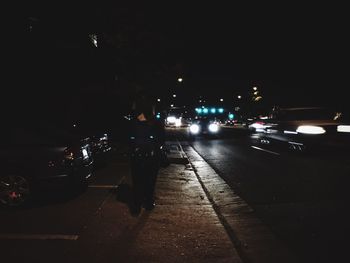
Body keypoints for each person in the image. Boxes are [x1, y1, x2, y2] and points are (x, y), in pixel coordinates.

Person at [128, 90, 165, 215]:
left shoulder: (134, 121)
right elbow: (162, 138)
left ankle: (137, 205)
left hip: (136, 154)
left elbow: (127, 137)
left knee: (137, 180)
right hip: (152, 154)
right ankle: (148, 202)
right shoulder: (155, 122)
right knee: (150, 179)